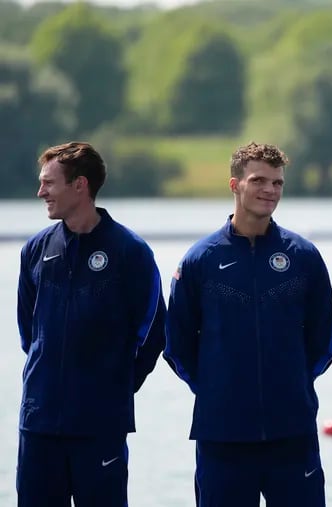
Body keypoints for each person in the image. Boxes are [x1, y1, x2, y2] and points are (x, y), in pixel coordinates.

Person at [164, 141, 332, 507]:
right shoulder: (201, 260)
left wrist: (293, 384)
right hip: (222, 434)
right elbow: (177, 345)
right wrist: (216, 388)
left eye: (277, 183)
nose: (269, 191)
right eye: (259, 180)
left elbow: (325, 339)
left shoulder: (304, 256)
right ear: (235, 185)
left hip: (292, 430)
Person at [16, 141, 166, 507]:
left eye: (49, 183)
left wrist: (115, 386)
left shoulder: (130, 251)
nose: (40, 192)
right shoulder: (36, 250)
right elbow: (29, 332)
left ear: (80, 185)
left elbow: (155, 334)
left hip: (100, 425)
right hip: (39, 423)